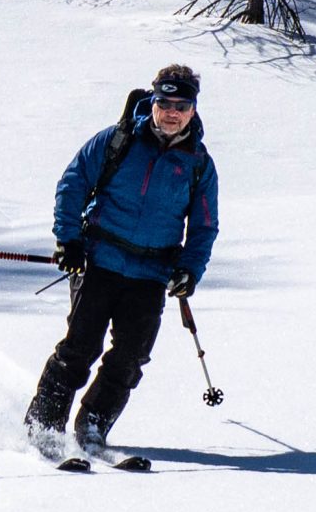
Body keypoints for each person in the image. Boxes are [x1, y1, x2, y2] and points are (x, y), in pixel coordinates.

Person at [25, 64, 220, 466]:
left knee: (130, 357)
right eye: (165, 103)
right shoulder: (118, 140)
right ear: (154, 101)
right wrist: (69, 240)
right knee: (80, 348)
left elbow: (204, 225)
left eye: (181, 106)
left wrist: (189, 269)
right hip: (99, 260)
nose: (172, 113)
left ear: (193, 109)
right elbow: (73, 183)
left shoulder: (198, 164)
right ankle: (43, 427)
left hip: (151, 273)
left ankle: (93, 425)